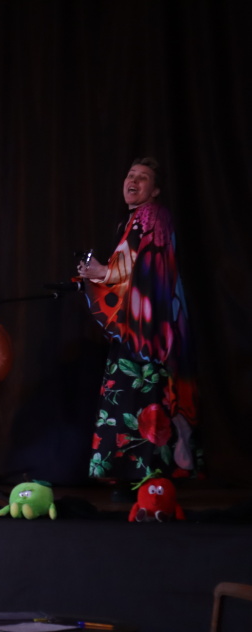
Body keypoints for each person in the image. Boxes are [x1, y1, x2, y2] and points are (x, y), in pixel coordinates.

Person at [77, 157, 201, 482]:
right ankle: (143, 473)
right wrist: (100, 274)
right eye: (130, 175)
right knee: (143, 396)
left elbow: (138, 266)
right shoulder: (137, 219)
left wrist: (101, 272)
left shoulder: (150, 214)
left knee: (139, 394)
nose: (133, 181)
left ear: (155, 190)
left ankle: (143, 475)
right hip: (147, 325)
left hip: (145, 329)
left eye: (143, 177)